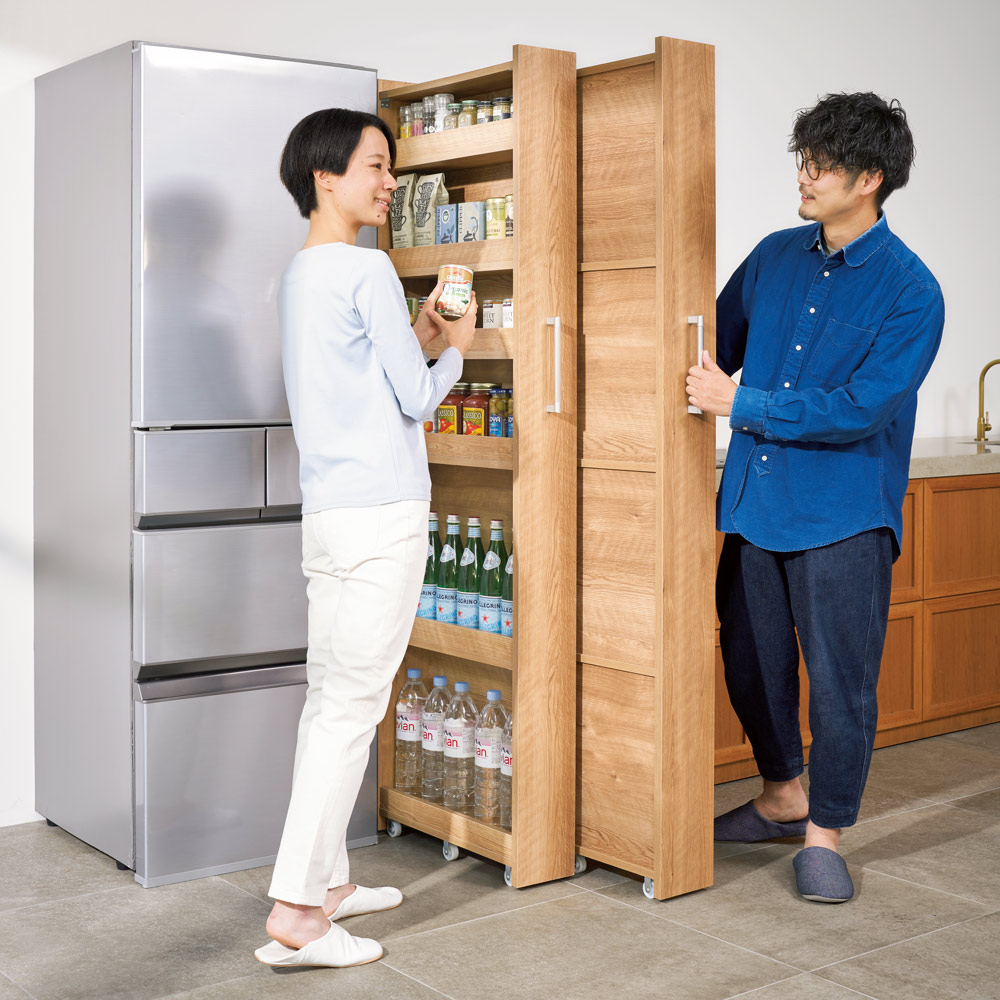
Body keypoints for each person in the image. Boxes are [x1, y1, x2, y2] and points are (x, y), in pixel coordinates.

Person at [686, 93, 943, 903]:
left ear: (870, 179)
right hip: (753, 505)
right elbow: (708, 341)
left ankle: (825, 833)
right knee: (750, 663)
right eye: (804, 158)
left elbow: (862, 407)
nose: (805, 175)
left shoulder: (912, 291)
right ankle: (782, 796)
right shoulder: (773, 256)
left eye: (823, 164)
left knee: (840, 683)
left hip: (843, 517)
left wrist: (743, 404)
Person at [254, 109, 477, 968]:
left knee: (330, 701)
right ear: (326, 176)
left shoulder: (301, 273)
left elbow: (361, 378)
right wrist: (457, 349)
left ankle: (330, 884)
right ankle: (298, 914)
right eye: (376, 167)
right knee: (350, 709)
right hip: (382, 513)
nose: (389, 183)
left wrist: (419, 336)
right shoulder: (369, 266)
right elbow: (416, 399)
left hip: (329, 515)